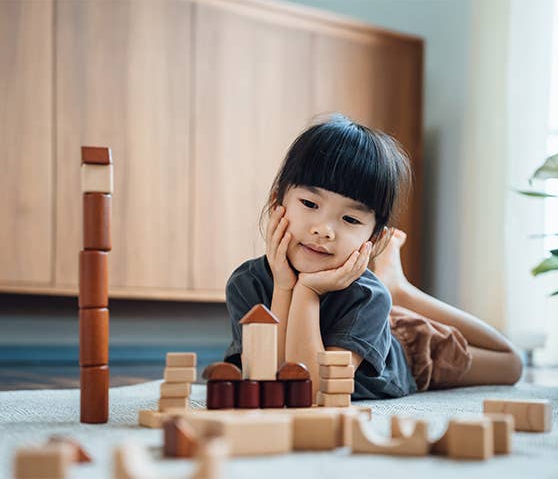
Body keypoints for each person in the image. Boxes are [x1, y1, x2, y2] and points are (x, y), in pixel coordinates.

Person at [224, 113, 523, 400]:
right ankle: (395, 287)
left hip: (408, 351)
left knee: (511, 363)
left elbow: (311, 390)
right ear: (278, 201)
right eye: (309, 203)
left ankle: (399, 289)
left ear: (374, 237)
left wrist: (307, 290)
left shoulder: (368, 296)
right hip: (370, 320)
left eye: (350, 220)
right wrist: (284, 285)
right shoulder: (245, 284)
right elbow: (269, 379)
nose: (324, 230)